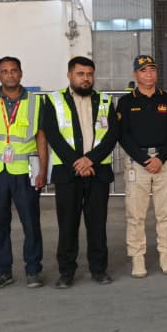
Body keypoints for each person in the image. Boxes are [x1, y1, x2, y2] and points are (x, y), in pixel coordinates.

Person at [41, 56, 119, 287]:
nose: (86, 79)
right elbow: (53, 134)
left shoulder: (105, 100)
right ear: (69, 75)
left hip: (98, 172)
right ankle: (66, 272)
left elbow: (112, 135)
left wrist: (90, 160)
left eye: (89, 74)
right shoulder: (53, 100)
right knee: (67, 225)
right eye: (81, 74)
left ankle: (99, 269)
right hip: (68, 173)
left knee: (97, 224)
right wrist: (77, 162)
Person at [0, 56, 48, 290]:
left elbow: (42, 139)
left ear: (21, 73)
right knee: (0, 224)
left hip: (25, 171)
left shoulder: (35, 102)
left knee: (31, 223)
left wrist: (43, 171)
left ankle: (33, 270)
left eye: (14, 70)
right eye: (4, 71)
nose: (10, 75)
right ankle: (2, 271)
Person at [116, 55, 167, 278]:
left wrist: (160, 158)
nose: (149, 74)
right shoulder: (126, 102)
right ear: (135, 74)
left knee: (166, 212)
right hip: (138, 162)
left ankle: (166, 255)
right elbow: (123, 135)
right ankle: (137, 257)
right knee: (136, 213)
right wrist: (144, 159)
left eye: (152, 70)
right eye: (143, 71)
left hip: (164, 161)